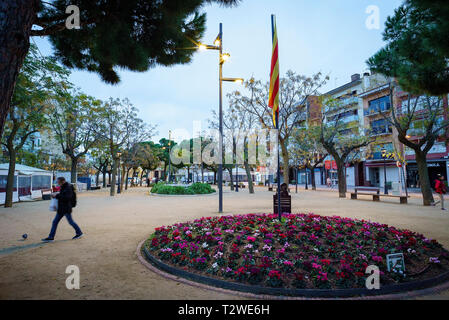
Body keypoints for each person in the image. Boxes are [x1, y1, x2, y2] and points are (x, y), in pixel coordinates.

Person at [42, 177, 83, 242]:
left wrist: (56, 196)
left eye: (59, 182)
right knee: (55, 222)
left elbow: (67, 197)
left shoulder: (68, 187)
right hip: (61, 208)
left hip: (66, 208)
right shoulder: (64, 186)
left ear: (63, 181)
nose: (58, 183)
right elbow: (63, 195)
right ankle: (51, 237)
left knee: (70, 222)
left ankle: (79, 233)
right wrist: (57, 194)